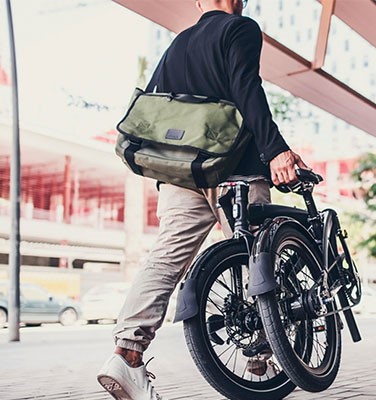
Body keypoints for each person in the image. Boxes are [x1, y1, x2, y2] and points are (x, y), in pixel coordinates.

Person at [97, 1, 308, 399]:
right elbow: (247, 87)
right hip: (235, 168)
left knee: (166, 257)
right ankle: (259, 352)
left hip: (180, 174)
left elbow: (156, 107)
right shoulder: (239, 28)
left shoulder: (179, 43)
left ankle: (126, 355)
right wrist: (276, 150)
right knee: (255, 257)